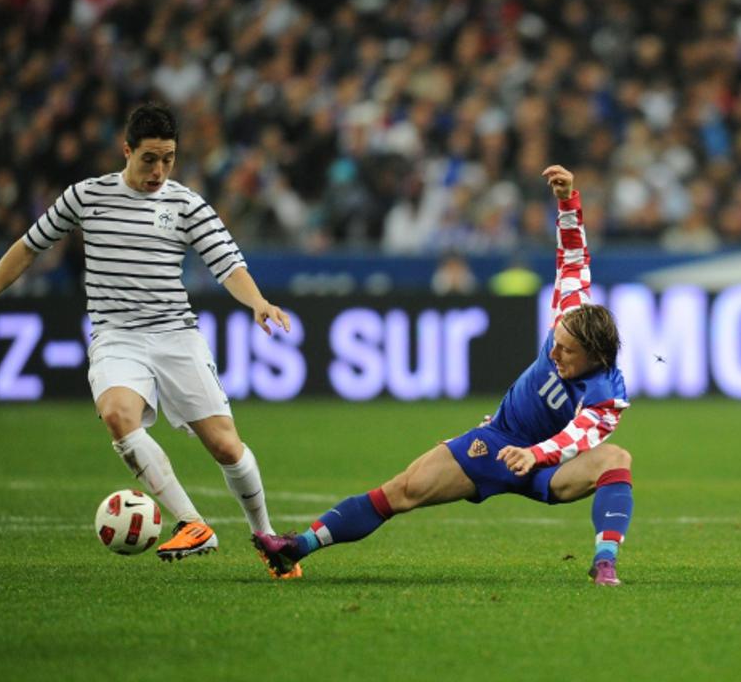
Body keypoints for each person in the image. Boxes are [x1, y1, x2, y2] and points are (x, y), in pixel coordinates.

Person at [0, 103, 300, 576]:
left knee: (227, 447)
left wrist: (258, 302)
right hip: (116, 336)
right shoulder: (86, 197)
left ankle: (266, 536)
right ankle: (191, 523)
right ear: (126, 150)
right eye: (149, 158)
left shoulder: (186, 204)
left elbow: (227, 263)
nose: (159, 170)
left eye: (168, 158)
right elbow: (28, 246)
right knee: (116, 414)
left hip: (176, 336)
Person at [253, 165, 636, 585]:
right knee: (402, 490)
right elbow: (575, 255)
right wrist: (567, 201)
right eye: (556, 343)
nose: (555, 352)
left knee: (616, 459)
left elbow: (575, 438)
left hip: (548, 469)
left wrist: (534, 455)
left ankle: (604, 562)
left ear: (595, 355)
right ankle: (297, 547)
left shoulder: (606, 397)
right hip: (495, 442)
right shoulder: (571, 310)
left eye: (567, 351)